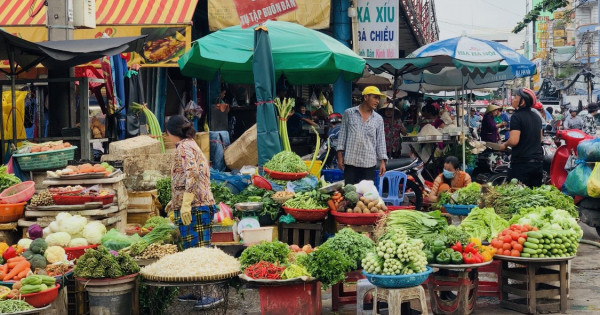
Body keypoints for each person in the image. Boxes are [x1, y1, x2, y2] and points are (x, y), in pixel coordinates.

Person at [165, 115, 216, 249]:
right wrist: (175, 199)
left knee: (196, 254)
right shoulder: (191, 143)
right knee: (201, 252)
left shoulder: (183, 147)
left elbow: (193, 172)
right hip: (200, 206)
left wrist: (186, 203)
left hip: (195, 208)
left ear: (171, 133)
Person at [337, 86, 388, 184]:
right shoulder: (349, 113)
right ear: (366, 97)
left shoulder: (378, 119)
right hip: (351, 161)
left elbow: (381, 141)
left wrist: (383, 162)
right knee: (350, 192)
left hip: (369, 163)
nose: (377, 101)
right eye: (375, 97)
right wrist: (339, 156)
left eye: (378, 98)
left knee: (367, 195)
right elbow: (342, 136)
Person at [500, 88, 544, 187]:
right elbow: (540, 139)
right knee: (535, 196)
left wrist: (505, 144)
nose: (513, 99)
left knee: (518, 196)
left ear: (522, 101)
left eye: (515, 97)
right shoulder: (537, 117)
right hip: (537, 164)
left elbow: (514, 141)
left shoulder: (516, 117)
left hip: (522, 164)